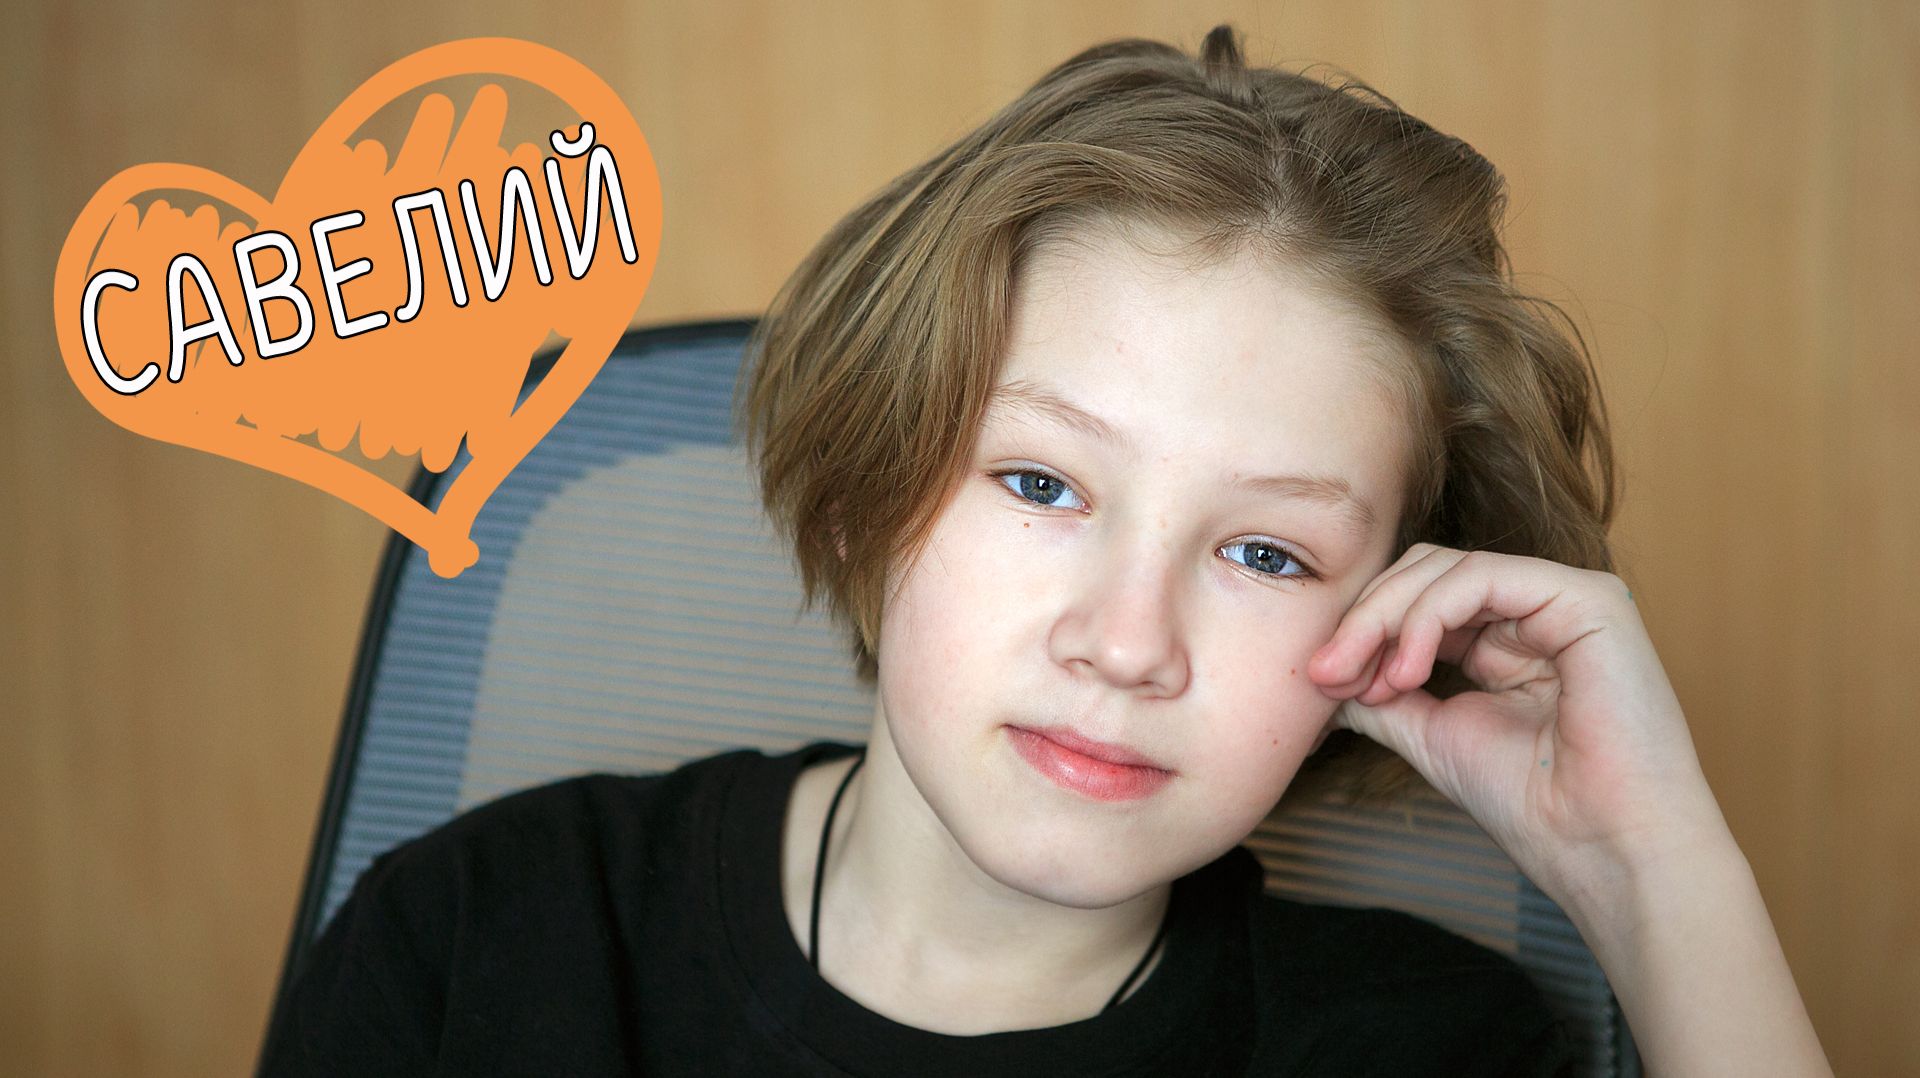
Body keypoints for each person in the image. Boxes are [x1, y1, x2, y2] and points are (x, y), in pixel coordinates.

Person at [259, 24, 1833, 1077]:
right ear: (873, 484)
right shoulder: (475, 937)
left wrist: (1651, 865)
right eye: (1039, 482)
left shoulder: (1427, 1048)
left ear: (1390, 629)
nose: (1126, 641)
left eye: (1267, 555)